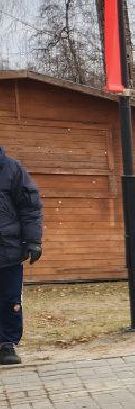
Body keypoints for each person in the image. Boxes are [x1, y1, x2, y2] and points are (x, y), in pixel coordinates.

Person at [0, 145, 42, 366]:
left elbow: (30, 206)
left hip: (8, 248)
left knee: (9, 299)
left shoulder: (12, 169)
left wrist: (33, 241)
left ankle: (6, 344)